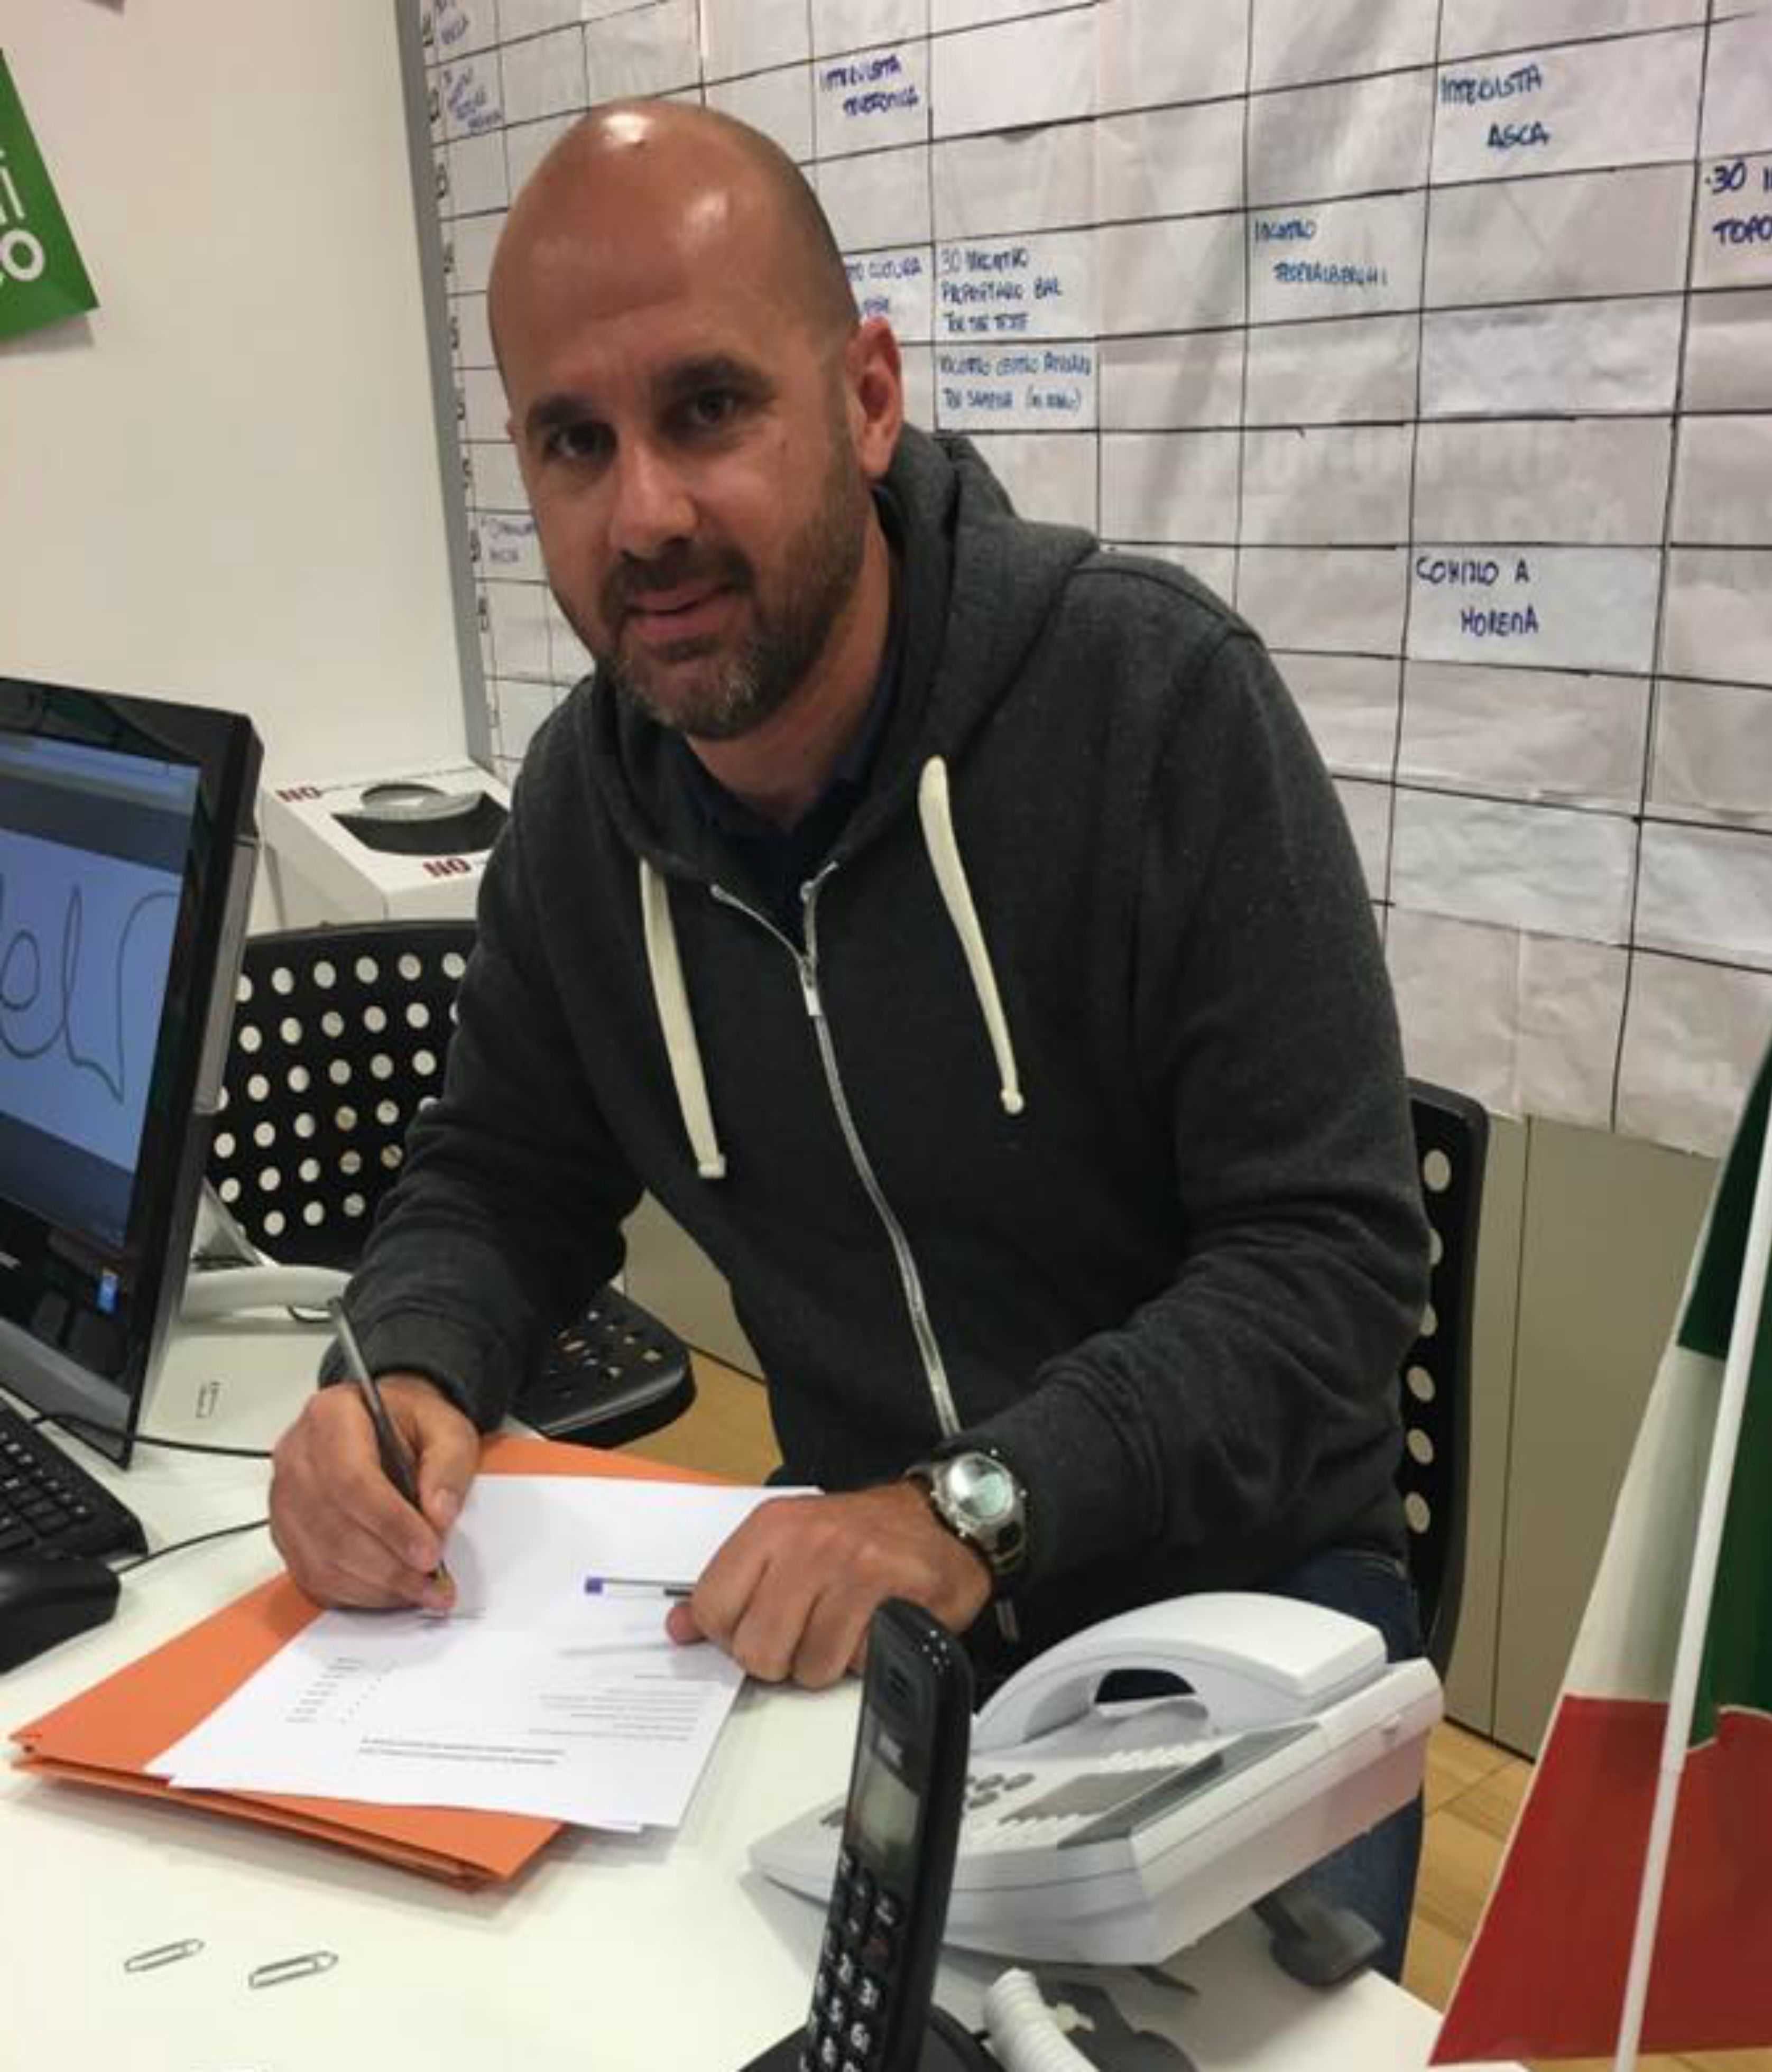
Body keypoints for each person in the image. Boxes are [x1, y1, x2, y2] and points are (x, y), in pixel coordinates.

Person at [267, 102, 1431, 1966]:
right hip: (849, 1616)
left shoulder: (1154, 704)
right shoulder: (580, 813)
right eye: (576, 442)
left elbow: (1331, 1268)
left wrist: (970, 1505)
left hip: (1230, 1613)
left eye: (708, 408)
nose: (644, 515)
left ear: (868, 398)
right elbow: (499, 1175)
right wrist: (401, 1373)